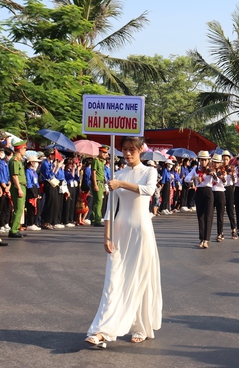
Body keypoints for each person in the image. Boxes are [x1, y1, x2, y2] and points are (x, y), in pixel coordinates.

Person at [86, 136, 162, 347]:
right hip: (120, 231)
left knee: (139, 279)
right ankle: (102, 331)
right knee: (114, 281)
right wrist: (106, 235)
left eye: (132, 150)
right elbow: (111, 208)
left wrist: (121, 184)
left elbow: (148, 190)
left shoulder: (149, 171)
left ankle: (139, 327)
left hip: (141, 231)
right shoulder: (117, 174)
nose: (128, 154)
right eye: (125, 150)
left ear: (140, 151)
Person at [185, 151, 215, 248]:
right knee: (200, 216)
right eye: (201, 160)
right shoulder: (195, 169)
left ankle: (206, 239)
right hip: (199, 192)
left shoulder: (211, 169)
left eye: (205, 160)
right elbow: (186, 178)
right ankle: (202, 239)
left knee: (208, 216)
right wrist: (195, 177)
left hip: (208, 191)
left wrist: (213, 174)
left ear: (208, 161)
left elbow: (218, 180)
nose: (203, 162)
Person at [8, 139, 28, 238]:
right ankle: (13, 230)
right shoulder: (15, 160)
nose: (25, 151)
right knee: (18, 208)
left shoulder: (19, 160)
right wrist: (19, 189)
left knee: (20, 209)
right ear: (20, 149)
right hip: (18, 186)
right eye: (24, 149)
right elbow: (14, 176)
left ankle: (15, 228)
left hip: (22, 185)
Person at [91, 146, 108, 227]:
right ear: (100, 152)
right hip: (97, 182)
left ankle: (94, 218)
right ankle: (97, 219)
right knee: (98, 201)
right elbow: (93, 173)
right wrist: (95, 185)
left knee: (98, 201)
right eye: (104, 152)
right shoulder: (96, 161)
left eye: (106, 153)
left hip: (101, 182)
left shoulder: (101, 162)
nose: (105, 154)